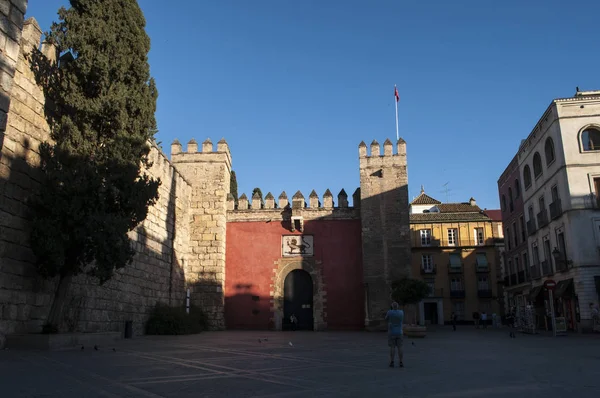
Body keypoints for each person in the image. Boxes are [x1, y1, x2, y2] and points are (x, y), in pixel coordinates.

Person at [385, 301, 404, 368]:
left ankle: (392, 362)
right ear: (397, 306)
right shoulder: (401, 312)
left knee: (392, 347)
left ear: (392, 306)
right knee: (400, 347)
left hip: (392, 332)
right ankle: (401, 362)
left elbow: (386, 319)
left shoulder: (389, 312)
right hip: (400, 332)